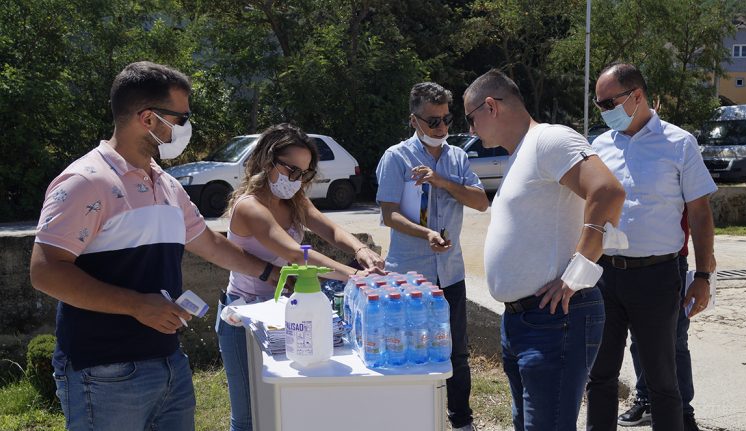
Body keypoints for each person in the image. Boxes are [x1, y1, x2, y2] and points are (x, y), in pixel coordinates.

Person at [29, 61, 279, 431]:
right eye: (182, 118)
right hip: (104, 370)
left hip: (168, 361)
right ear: (148, 118)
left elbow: (209, 243)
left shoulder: (165, 183)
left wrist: (273, 273)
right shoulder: (86, 181)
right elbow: (45, 270)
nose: (187, 127)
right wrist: (136, 305)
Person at [463, 69, 625, 430]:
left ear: (490, 106)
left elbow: (607, 191)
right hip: (525, 320)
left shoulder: (548, 139)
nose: (470, 130)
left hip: (554, 318)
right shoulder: (521, 153)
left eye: (470, 119)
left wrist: (578, 271)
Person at [216, 123, 385, 431]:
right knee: (249, 417)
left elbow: (330, 229)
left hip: (284, 315)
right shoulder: (250, 207)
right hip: (243, 319)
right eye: (291, 170)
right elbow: (296, 254)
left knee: (282, 410)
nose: (296, 180)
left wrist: (360, 249)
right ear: (267, 160)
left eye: (304, 174)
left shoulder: (293, 200)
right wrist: (354, 275)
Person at [585, 63, 716, 431]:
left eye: (607, 103)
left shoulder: (679, 143)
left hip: (658, 277)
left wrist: (703, 276)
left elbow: (700, 214)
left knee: (662, 380)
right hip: (606, 275)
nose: (602, 111)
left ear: (637, 96)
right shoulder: (599, 147)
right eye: (598, 104)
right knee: (600, 375)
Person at [376, 82, 489, 431]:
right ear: (414, 120)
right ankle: (409, 420)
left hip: (450, 274)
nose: (441, 128)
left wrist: (442, 182)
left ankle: (461, 420)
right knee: (407, 349)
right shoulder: (396, 157)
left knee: (456, 352)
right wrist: (426, 234)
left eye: (446, 119)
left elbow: (481, 202)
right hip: (409, 277)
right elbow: (389, 214)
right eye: (433, 121)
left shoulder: (457, 157)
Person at [618, 208, 703, 431]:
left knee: (675, 340)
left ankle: (683, 410)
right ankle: (646, 401)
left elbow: (699, 211)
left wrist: (706, 264)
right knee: (638, 339)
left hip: (671, 260)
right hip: (628, 262)